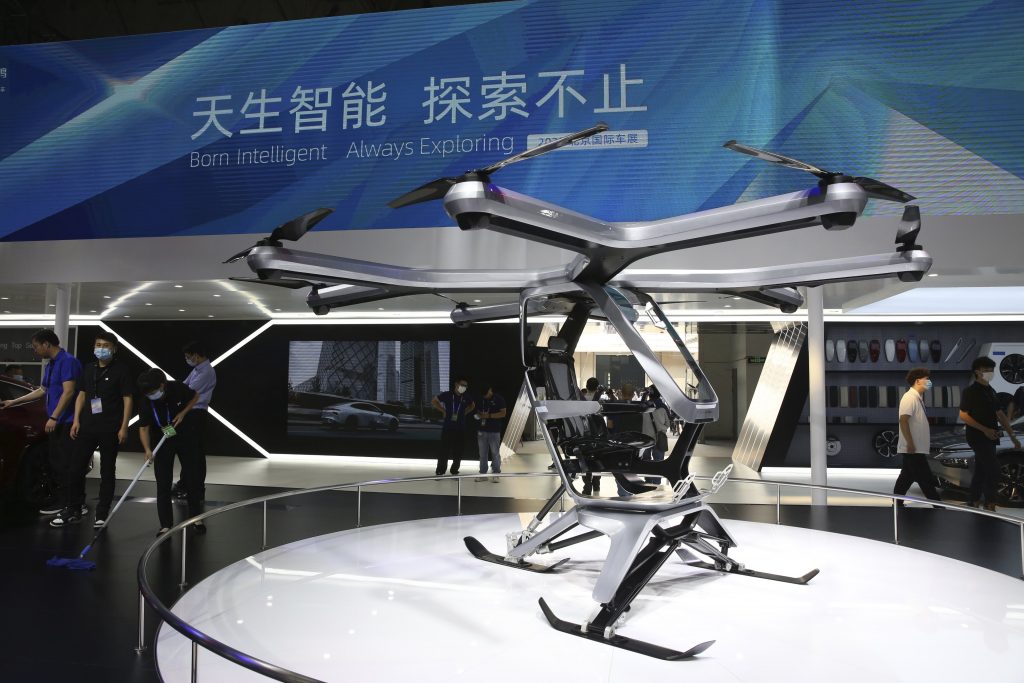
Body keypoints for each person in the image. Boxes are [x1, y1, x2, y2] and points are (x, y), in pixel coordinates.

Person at [0, 329, 82, 522]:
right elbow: (42, 390)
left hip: (66, 421)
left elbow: (69, 392)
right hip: (55, 421)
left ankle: (71, 505)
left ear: (47, 344)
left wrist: (54, 417)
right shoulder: (51, 364)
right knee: (56, 463)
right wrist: (13, 401)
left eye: (36, 346)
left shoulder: (68, 361)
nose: (35, 350)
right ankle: (66, 502)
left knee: (66, 464)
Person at [64, 331, 134, 528]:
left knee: (107, 471)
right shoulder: (89, 368)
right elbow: (81, 394)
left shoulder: (121, 370)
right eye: (98, 345)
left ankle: (102, 513)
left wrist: (124, 427)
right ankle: (74, 507)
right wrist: (76, 420)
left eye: (105, 345)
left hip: (110, 428)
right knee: (75, 468)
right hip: (87, 425)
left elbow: (127, 399)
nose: (101, 349)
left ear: (114, 349)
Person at [137, 368, 203, 535]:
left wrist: (183, 413)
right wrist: (147, 450)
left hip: (185, 436)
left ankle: (196, 518)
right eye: (148, 393)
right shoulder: (145, 400)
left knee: (192, 478)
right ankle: (165, 524)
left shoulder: (177, 387)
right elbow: (143, 428)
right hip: (162, 439)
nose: (151, 395)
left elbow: (195, 396)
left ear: (162, 385)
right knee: (163, 482)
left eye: (153, 392)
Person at [959, 357, 1020, 510]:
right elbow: (963, 415)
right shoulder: (970, 392)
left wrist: (1012, 436)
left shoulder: (991, 391)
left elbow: (1000, 414)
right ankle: (989, 502)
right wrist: (985, 430)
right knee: (994, 469)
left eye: (991, 370)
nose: (989, 373)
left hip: (991, 436)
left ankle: (973, 500)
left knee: (981, 470)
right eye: (986, 370)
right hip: (977, 436)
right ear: (977, 371)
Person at [172, 342, 217, 504]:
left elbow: (187, 391)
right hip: (190, 414)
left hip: (196, 414)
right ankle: (185, 484)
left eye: (188, 356)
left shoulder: (206, 371)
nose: (187, 359)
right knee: (187, 452)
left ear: (196, 355)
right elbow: (184, 385)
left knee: (195, 453)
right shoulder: (197, 369)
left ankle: (196, 489)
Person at [893, 367, 941, 506]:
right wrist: (910, 443)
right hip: (913, 448)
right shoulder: (909, 398)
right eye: (927, 379)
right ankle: (939, 506)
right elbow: (903, 420)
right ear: (918, 381)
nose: (929, 381)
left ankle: (897, 504)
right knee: (926, 480)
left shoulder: (916, 398)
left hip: (915, 447)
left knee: (906, 478)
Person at [431, 379, 474, 476]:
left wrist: (464, 413)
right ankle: (440, 470)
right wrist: (443, 411)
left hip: (460, 428)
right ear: (456, 384)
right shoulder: (447, 394)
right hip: (448, 427)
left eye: (466, 386)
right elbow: (434, 401)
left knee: (458, 451)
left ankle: (454, 470)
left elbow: (472, 405)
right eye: (462, 385)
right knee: (444, 450)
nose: (464, 387)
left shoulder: (466, 397)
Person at [474, 385, 506, 482]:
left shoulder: (499, 399)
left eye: (487, 394)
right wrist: (479, 415)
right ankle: (483, 474)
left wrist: (489, 416)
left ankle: (496, 473)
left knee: (495, 452)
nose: (486, 396)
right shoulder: (480, 399)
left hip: (494, 430)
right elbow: (477, 411)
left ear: (490, 390)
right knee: (482, 453)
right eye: (484, 395)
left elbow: (503, 413)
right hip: (482, 430)